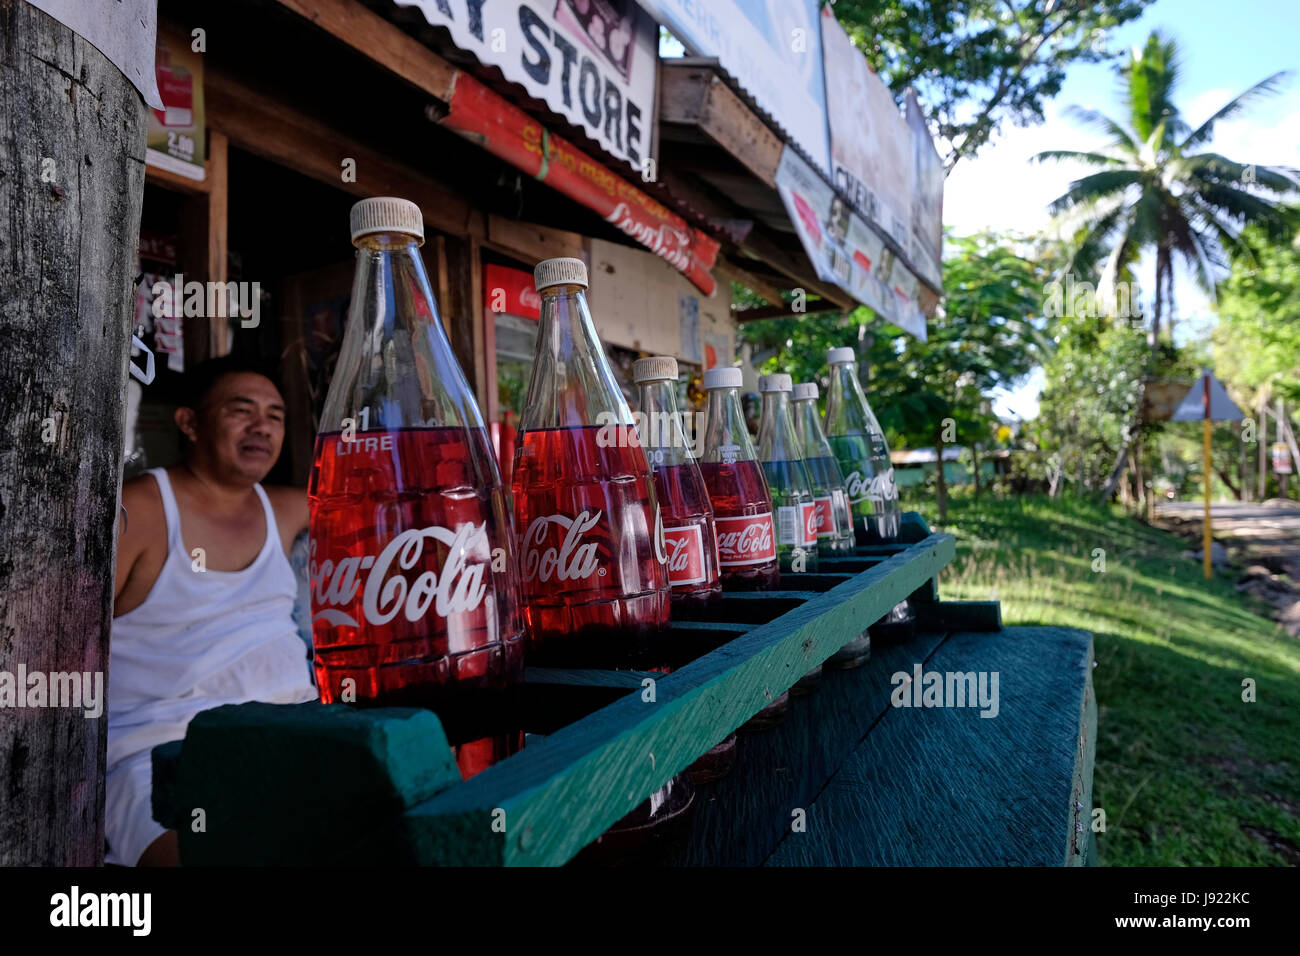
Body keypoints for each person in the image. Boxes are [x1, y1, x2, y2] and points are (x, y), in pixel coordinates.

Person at [107, 356, 318, 866]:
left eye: (275, 415)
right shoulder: (140, 509)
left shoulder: (287, 508)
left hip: (301, 730)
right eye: (241, 411)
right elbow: (52, 634)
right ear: (189, 423)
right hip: (160, 751)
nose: (262, 427)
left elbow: (385, 509)